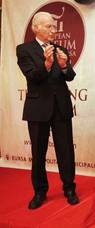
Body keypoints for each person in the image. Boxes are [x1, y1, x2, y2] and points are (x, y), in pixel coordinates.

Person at [16, 12, 79, 209]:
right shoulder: (24, 50)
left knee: (66, 151)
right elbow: (33, 77)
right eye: (49, 27)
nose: (54, 30)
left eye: (54, 27)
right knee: (38, 152)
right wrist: (47, 64)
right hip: (38, 108)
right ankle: (40, 191)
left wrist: (63, 66)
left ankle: (69, 188)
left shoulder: (60, 48)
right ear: (36, 28)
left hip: (61, 107)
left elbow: (70, 76)